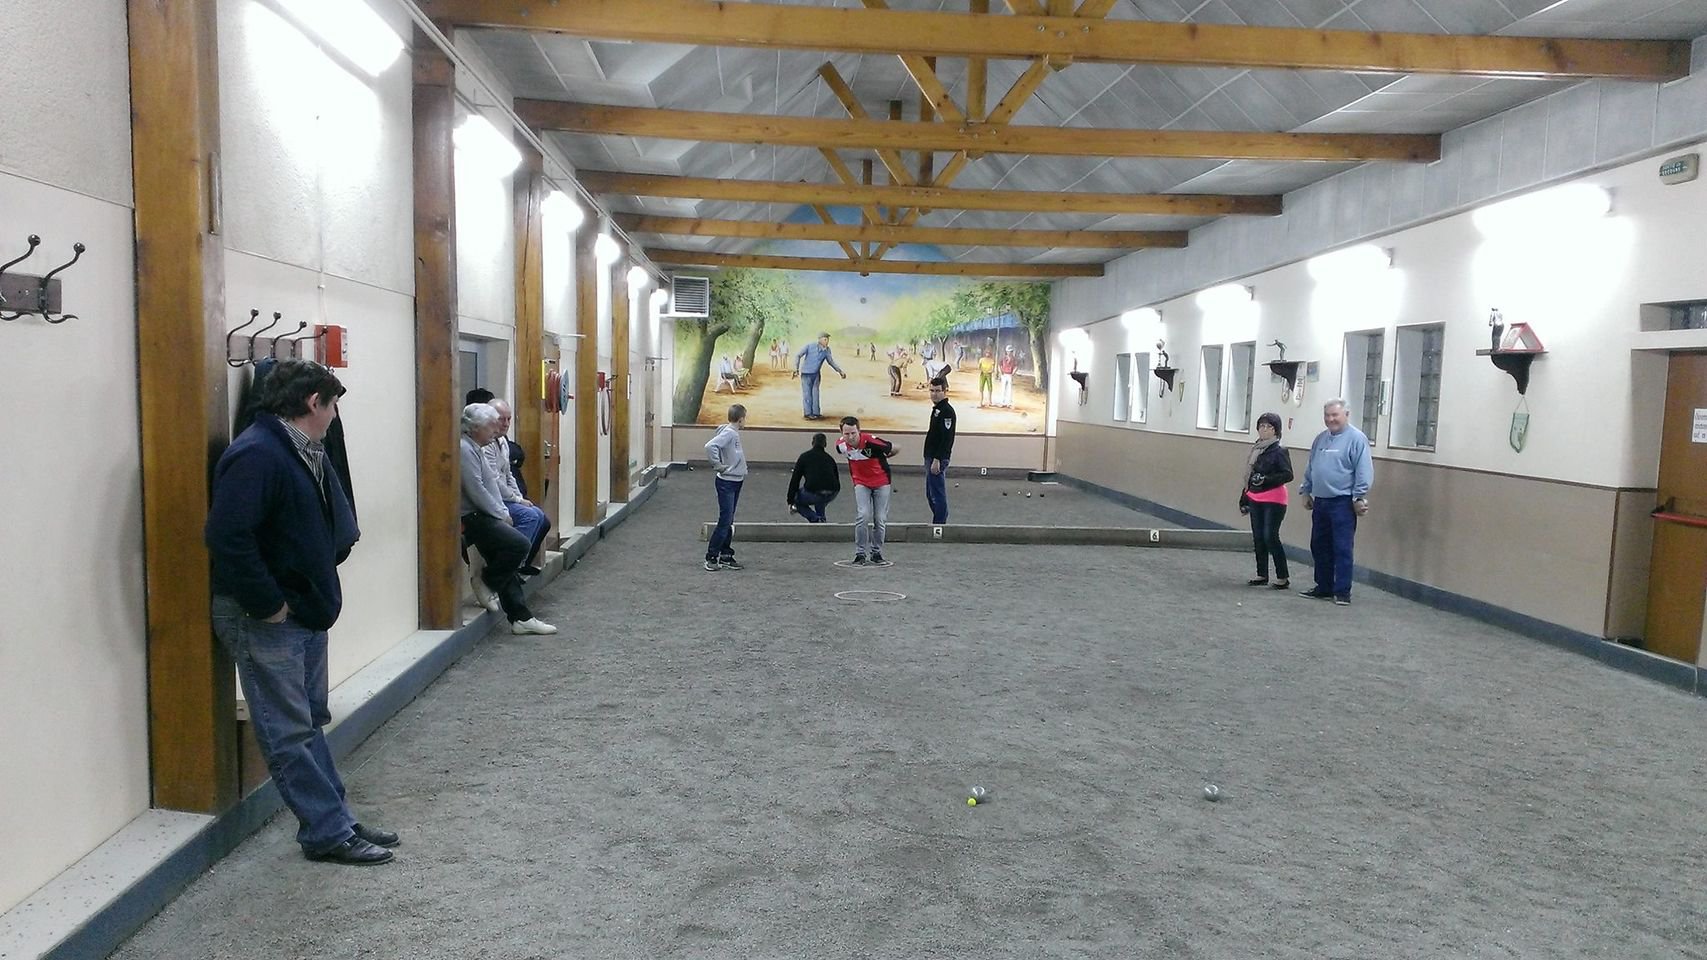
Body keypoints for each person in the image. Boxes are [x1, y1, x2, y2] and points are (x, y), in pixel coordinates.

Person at [205, 358, 398, 865]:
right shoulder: (257, 454)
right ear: (314, 402)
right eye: (332, 406)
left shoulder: (300, 450)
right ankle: (326, 832)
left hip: (305, 611)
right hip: (267, 617)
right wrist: (269, 604)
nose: (334, 417)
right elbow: (227, 536)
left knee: (309, 720)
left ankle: (338, 819)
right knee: (287, 730)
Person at [460, 403, 559, 635]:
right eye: (490, 427)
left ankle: (521, 618)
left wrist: (503, 510)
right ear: (476, 428)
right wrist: (501, 514)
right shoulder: (465, 449)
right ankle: (487, 579)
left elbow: (492, 483)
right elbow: (476, 490)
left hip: (485, 512)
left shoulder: (478, 446)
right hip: (471, 516)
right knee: (518, 545)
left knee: (505, 556)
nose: (496, 430)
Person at [1298, 398, 1373, 606]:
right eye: (1327, 415)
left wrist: (1358, 496)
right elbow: (1312, 466)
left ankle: (1342, 591)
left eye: (1335, 415)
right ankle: (1323, 587)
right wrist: (1306, 490)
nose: (1330, 419)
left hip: (1343, 503)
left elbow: (1364, 470)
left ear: (1346, 415)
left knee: (1342, 548)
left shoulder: (1357, 439)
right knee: (1319, 545)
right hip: (1320, 501)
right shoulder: (1320, 439)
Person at [487, 399, 551, 573]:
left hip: (506, 497)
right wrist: (517, 500)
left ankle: (520, 563)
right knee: (530, 517)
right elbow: (494, 481)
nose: (506, 424)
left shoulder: (503, 442)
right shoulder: (486, 445)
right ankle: (507, 567)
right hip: (493, 499)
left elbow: (509, 475)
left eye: (508, 419)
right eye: (501, 419)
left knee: (542, 518)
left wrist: (520, 498)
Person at [1240, 412, 1294, 589]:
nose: (1264, 430)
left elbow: (1288, 475)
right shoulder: (1256, 449)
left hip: (1274, 498)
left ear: (1275, 430)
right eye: (1261, 426)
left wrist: (1266, 479)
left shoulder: (1279, 450)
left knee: (1270, 536)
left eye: (1269, 427)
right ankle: (1261, 574)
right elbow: (1249, 476)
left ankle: (1283, 576)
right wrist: (1244, 497)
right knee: (1258, 537)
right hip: (1255, 496)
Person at [836, 416, 894, 566]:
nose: (850, 437)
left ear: (859, 431)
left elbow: (890, 447)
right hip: (861, 482)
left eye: (853, 433)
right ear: (841, 434)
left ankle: (876, 552)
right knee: (863, 515)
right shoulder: (841, 446)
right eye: (846, 434)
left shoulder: (871, 441)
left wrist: (883, 454)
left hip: (881, 482)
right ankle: (860, 553)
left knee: (880, 518)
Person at [704, 403, 747, 571]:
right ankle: (711, 556)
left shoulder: (731, 432)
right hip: (728, 481)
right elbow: (710, 446)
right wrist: (718, 465)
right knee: (725, 520)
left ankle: (726, 555)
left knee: (729, 520)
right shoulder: (729, 433)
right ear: (741, 419)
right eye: (745, 419)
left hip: (735, 480)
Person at [923, 378, 956, 525]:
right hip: (930, 456)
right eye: (932, 390)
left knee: (937, 493)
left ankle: (940, 525)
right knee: (930, 493)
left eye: (937, 391)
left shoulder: (947, 411)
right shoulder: (937, 409)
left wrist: (937, 459)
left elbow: (946, 438)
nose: (934, 394)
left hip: (937, 458)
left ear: (945, 391)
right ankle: (939, 519)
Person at [787, 432, 841, 523]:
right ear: (825, 444)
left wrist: (790, 501)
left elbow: (795, 480)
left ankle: (815, 519)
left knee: (797, 499)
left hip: (814, 491)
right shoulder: (830, 459)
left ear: (812, 443)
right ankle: (822, 520)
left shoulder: (804, 457)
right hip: (832, 492)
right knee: (820, 499)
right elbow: (836, 477)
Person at [792, 332, 846, 420]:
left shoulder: (827, 350)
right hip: (806, 374)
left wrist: (840, 371)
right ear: (819, 339)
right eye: (825, 339)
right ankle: (808, 413)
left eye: (827, 339)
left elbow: (831, 362)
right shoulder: (810, 346)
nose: (827, 341)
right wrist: (796, 369)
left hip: (816, 374)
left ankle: (816, 413)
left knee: (815, 393)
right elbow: (798, 355)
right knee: (807, 394)